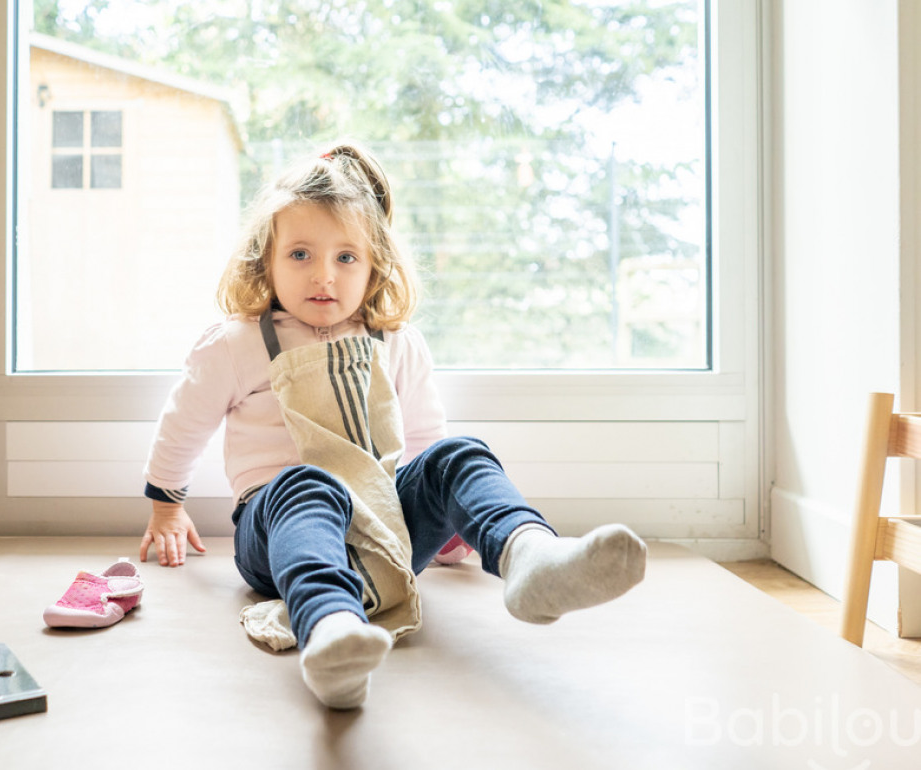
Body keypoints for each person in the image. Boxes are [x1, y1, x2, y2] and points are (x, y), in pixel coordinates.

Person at [140, 142, 646, 710]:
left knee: (458, 452)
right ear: (267, 260)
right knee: (307, 482)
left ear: (374, 264)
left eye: (346, 258)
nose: (323, 276)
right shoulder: (239, 343)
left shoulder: (396, 341)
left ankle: (529, 557)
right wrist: (166, 503)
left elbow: (426, 443)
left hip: (384, 521)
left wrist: (451, 526)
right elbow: (185, 422)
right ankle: (331, 631)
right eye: (301, 255)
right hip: (278, 525)